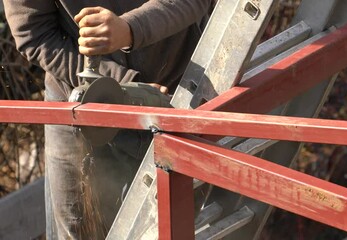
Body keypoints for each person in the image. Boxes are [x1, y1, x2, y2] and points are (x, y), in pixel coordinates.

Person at [3, 0, 211, 239]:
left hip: (176, 88)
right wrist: (119, 81)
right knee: (80, 228)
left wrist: (131, 29)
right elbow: (34, 33)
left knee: (173, 224)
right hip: (78, 99)